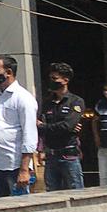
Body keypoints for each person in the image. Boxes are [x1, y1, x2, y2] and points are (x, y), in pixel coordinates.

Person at [0, 56, 38, 198]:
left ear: (8, 72)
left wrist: (25, 169)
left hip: (14, 166)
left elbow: (30, 135)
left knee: (18, 207)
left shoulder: (23, 98)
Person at [38, 62, 85, 191]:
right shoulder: (47, 102)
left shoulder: (75, 101)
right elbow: (37, 125)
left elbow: (67, 126)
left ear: (65, 80)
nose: (51, 81)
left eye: (55, 78)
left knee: (76, 193)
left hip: (69, 155)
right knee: (52, 194)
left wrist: (45, 126)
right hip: (51, 155)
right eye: (50, 78)